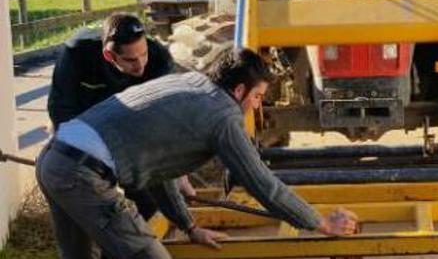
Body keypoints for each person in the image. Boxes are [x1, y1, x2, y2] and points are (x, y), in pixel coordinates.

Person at [36, 48, 359, 259]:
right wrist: (318, 223)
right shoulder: (223, 114)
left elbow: (156, 171)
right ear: (239, 91)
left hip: (54, 159)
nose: (258, 105)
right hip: (82, 175)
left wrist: (189, 226)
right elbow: (262, 184)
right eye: (258, 96)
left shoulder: (190, 83)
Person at [46, 13, 181, 227]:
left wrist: (175, 169)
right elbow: (61, 113)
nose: (140, 66)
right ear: (109, 56)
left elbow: (162, 121)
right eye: (130, 60)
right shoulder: (76, 55)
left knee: (149, 199)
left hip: (130, 124)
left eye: (143, 54)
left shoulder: (159, 60)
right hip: (84, 121)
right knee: (88, 192)